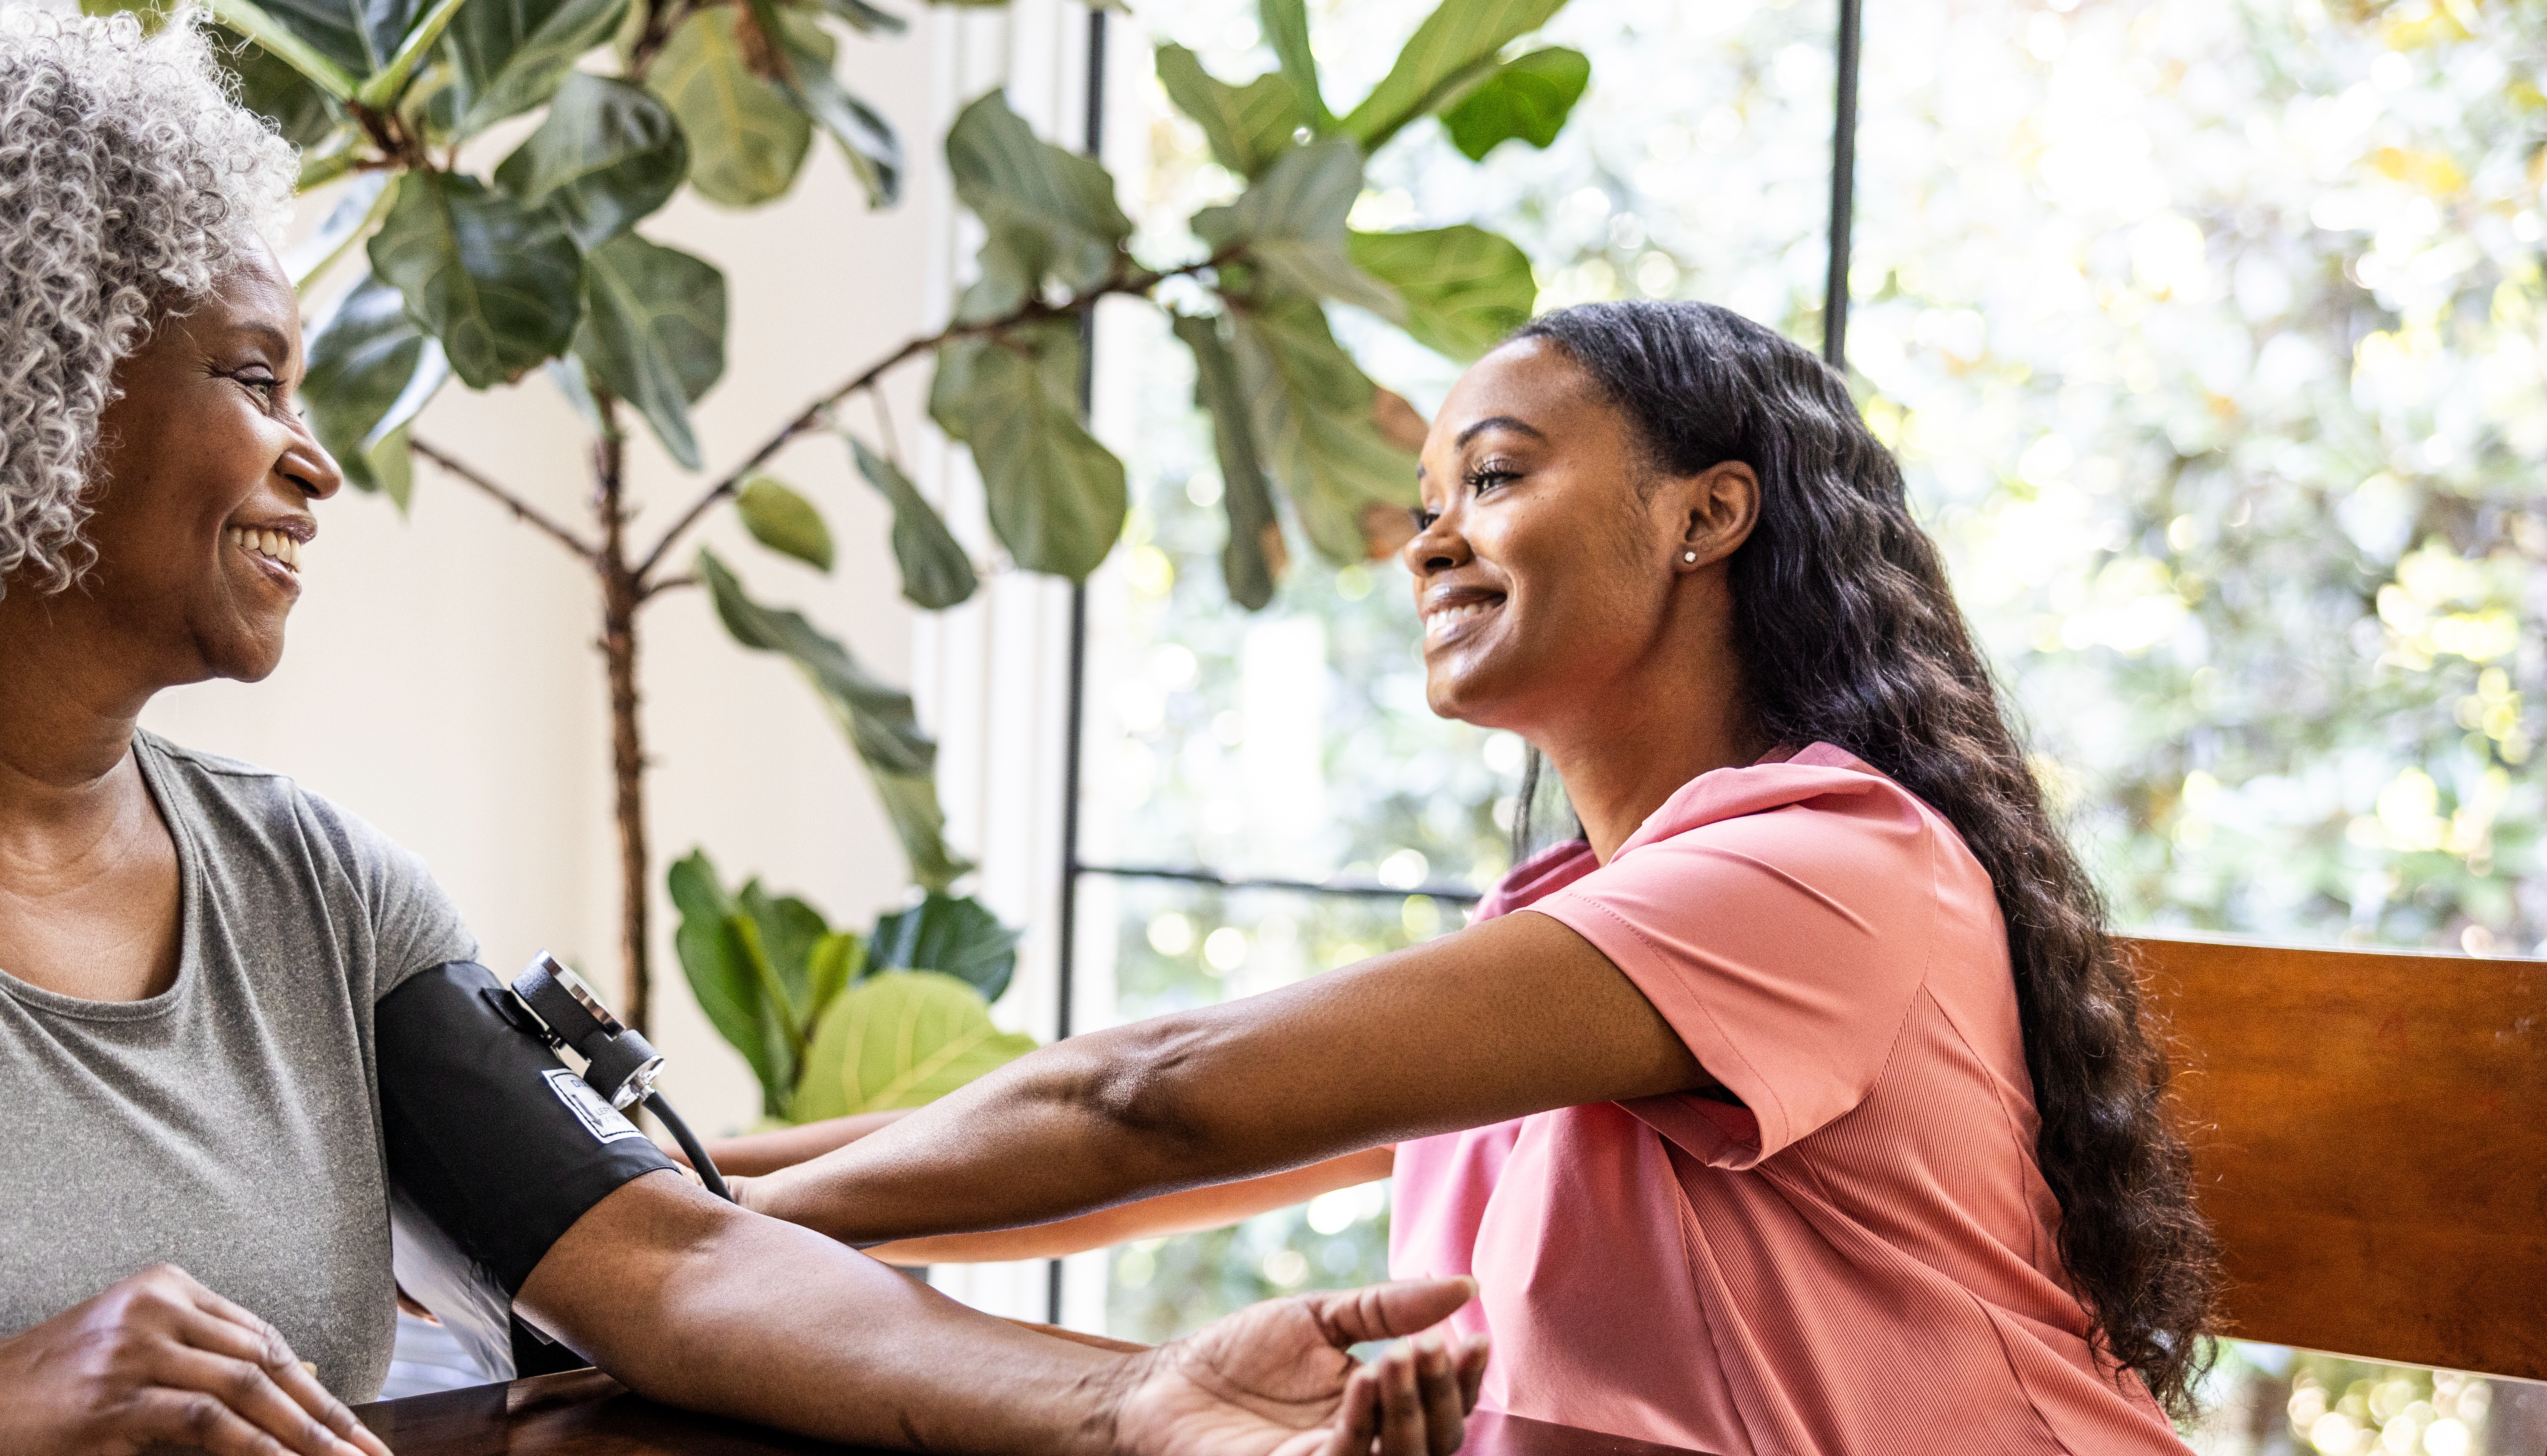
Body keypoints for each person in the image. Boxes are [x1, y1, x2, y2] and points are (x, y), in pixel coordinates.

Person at [0, 13, 1487, 1453]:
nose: (314, 459)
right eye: (253, 377)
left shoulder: (312, 883)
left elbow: (668, 1259)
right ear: (17, 384)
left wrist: (1138, 1405)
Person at [727, 301, 2225, 1455]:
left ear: (1709, 513)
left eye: (1493, 477)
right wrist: (699, 1175)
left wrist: (645, 1216)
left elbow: (1158, 1097)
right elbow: (1155, 1165)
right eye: (1429, 496)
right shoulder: (1574, 919)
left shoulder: (1823, 866)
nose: (1428, 539)